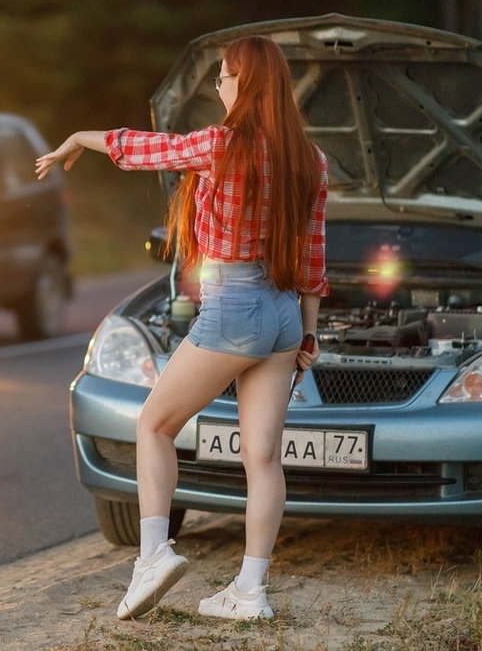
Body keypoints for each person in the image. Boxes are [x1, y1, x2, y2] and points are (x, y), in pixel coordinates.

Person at [34, 36, 327, 621]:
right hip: (284, 314)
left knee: (155, 424)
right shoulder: (309, 159)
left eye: (222, 76)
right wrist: (308, 337)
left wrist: (79, 139)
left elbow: (146, 148)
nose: (217, 86)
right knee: (263, 457)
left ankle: (153, 556)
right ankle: (249, 591)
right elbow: (316, 258)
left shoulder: (221, 146)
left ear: (244, 84)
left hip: (235, 307)